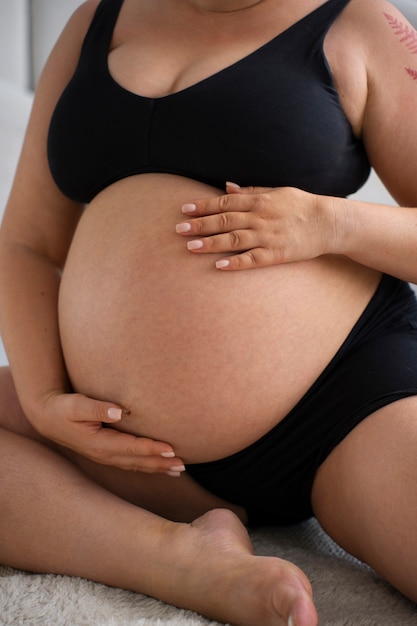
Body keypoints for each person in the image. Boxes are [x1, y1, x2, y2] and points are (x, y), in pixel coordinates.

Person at [1, 0, 417, 623]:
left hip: (344, 406)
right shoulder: (98, 18)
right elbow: (26, 241)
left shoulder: (359, 24)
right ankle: (184, 560)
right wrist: (41, 398)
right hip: (135, 450)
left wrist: (330, 223)